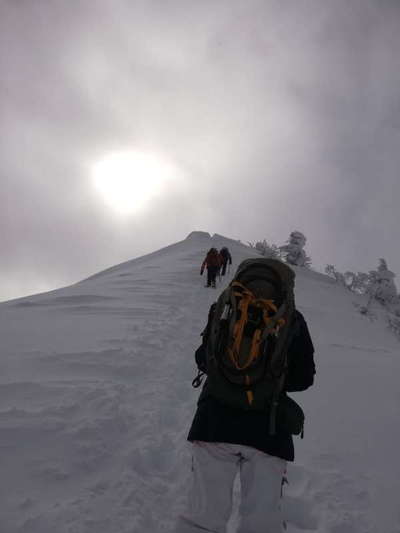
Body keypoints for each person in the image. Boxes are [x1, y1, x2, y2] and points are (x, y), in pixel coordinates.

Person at [176, 259, 316, 533]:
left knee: (202, 517)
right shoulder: (292, 318)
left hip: (213, 422)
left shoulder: (224, 308)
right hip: (268, 431)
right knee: (261, 522)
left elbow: (204, 358)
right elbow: (304, 378)